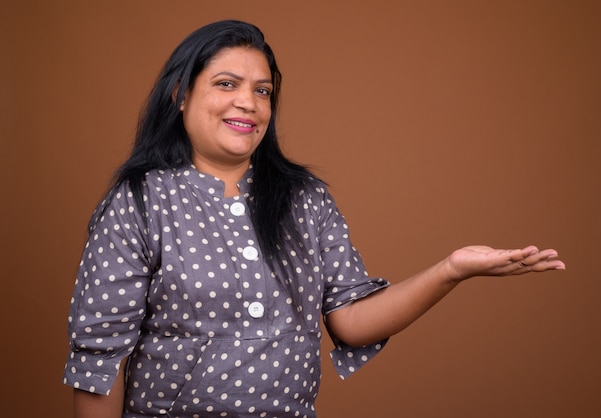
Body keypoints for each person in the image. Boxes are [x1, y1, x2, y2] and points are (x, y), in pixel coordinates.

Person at [62, 19, 565, 418]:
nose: (248, 102)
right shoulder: (140, 202)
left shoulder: (306, 199)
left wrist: (452, 268)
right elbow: (98, 362)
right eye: (226, 83)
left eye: (262, 90)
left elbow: (351, 322)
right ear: (181, 95)